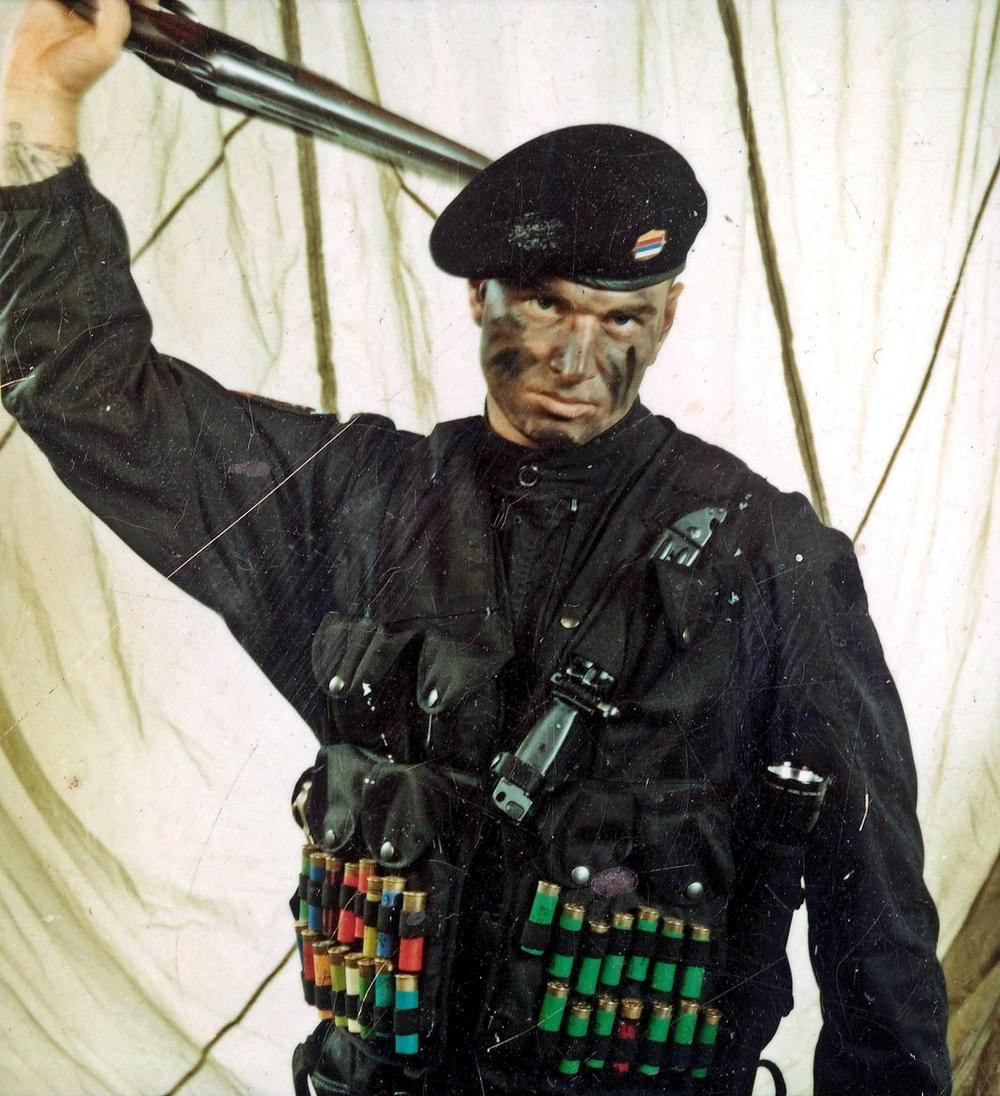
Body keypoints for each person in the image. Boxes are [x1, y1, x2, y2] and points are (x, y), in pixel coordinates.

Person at [0, 2, 952, 1094]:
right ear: (477, 295)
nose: (578, 360)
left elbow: (877, 930)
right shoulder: (358, 503)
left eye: (622, 318)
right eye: (545, 306)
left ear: (670, 312)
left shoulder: (769, 555)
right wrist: (39, 105)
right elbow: (89, 392)